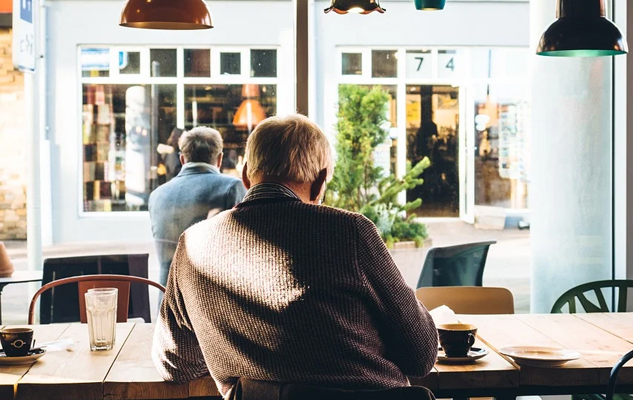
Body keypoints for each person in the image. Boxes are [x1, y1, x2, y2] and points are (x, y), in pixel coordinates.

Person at [152, 114, 438, 399]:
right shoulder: (350, 232)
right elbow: (421, 355)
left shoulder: (192, 244)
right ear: (320, 182)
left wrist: (232, 348)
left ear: (246, 175)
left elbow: (174, 364)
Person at [148, 127, 246, 286]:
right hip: (209, 301)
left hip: (166, 300)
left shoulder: (157, 195)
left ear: (182, 160)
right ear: (220, 159)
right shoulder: (231, 188)